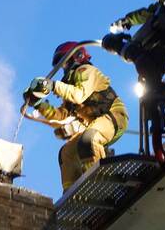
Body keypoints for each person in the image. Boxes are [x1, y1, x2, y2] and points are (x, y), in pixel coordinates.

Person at [24, 42, 129, 191]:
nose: (64, 68)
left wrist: (53, 85)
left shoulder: (86, 71)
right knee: (66, 153)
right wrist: (38, 104)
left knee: (88, 139)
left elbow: (79, 95)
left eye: (65, 63)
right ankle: (72, 193)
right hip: (95, 123)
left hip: (113, 116)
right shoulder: (69, 85)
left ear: (77, 57)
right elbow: (60, 116)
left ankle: (100, 183)